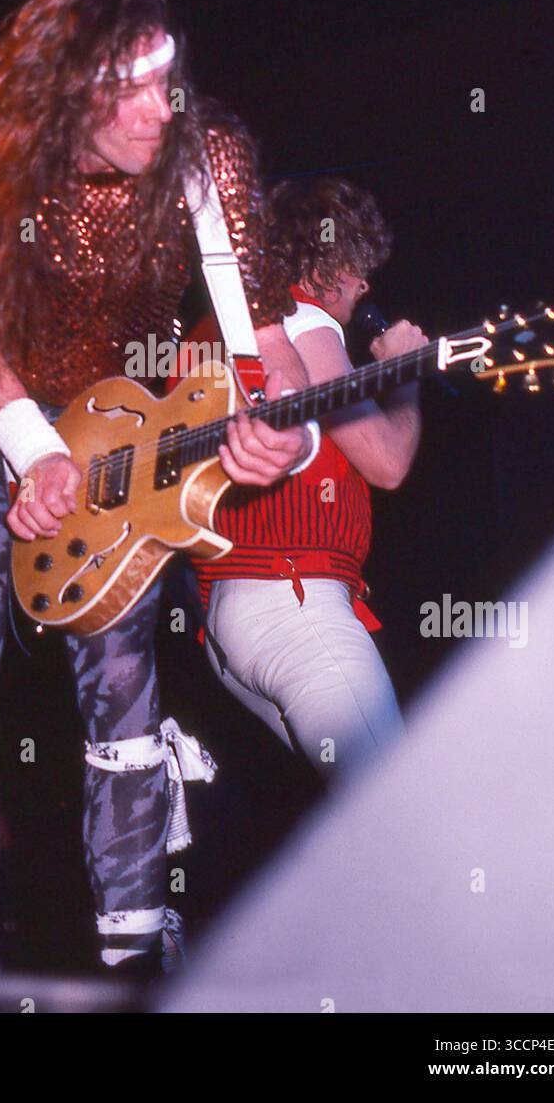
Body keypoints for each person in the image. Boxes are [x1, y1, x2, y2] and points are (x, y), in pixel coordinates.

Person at [0, 0, 320, 973]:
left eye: (160, 79)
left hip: (127, 432)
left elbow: (258, 334)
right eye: (118, 89)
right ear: (61, 92)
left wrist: (285, 433)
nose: (150, 111)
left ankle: (135, 960)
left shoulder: (205, 154)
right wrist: (30, 450)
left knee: (126, 687)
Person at [190, 177, 427, 784]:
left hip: (230, 617)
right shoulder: (303, 319)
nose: (365, 284)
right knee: (402, 814)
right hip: (292, 598)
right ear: (324, 262)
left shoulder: (214, 326)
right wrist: (404, 375)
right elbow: (387, 461)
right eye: (356, 265)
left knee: (363, 827)